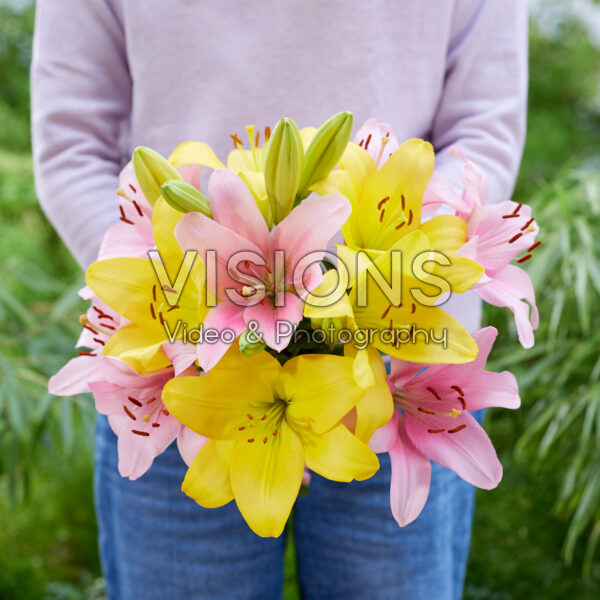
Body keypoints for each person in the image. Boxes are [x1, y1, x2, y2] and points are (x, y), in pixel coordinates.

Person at [31, 1, 528, 598]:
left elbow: (484, 128)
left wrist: (374, 292)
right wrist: (178, 318)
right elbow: (70, 148)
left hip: (395, 383)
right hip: (177, 378)